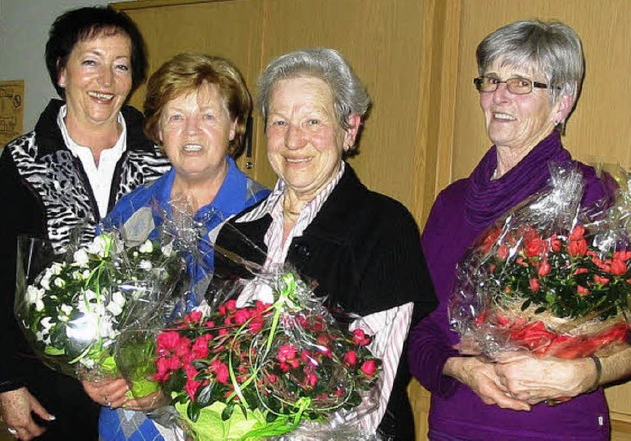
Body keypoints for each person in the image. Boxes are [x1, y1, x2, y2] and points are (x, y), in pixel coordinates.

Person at [408, 19, 631, 440]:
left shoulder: (595, 198)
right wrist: (460, 368)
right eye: (491, 80)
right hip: (456, 426)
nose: (499, 96)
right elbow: (419, 331)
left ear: (562, 102)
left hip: (558, 429)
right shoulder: (451, 204)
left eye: (521, 83)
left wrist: (586, 373)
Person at [210, 47, 437, 440]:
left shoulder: (384, 226)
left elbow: (373, 387)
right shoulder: (237, 233)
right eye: (279, 121)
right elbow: (215, 356)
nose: (294, 140)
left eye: (313, 120)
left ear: (350, 128)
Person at [0, 6, 171, 441]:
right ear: (61, 71)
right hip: (50, 392)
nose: (106, 81)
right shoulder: (24, 160)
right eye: (91, 61)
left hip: (140, 389)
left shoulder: (161, 159)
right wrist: (5, 384)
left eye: (121, 66)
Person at [89, 52, 270, 441]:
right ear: (157, 130)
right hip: (127, 426)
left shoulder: (265, 219)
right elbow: (93, 312)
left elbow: (269, 353)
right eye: (176, 116)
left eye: (208, 116)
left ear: (235, 126)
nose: (191, 131)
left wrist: (168, 391)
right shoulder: (131, 213)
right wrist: (93, 372)